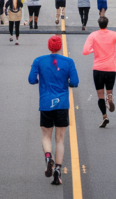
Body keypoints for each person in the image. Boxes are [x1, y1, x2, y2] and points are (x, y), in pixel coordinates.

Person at [28, 36, 79, 186]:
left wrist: (41, 80)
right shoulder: (69, 62)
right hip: (62, 104)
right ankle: (57, 170)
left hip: (45, 103)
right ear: (60, 46)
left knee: (46, 136)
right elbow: (74, 82)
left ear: (49, 46)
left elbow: (31, 80)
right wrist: (66, 82)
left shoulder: (39, 60)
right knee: (60, 139)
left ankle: (48, 157)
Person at [82, 17, 116, 128]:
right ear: (107, 24)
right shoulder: (114, 34)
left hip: (98, 69)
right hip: (111, 69)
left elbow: (85, 51)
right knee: (109, 91)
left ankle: (104, 116)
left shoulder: (93, 35)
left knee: (100, 95)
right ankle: (110, 99)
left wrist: (94, 49)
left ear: (99, 24)